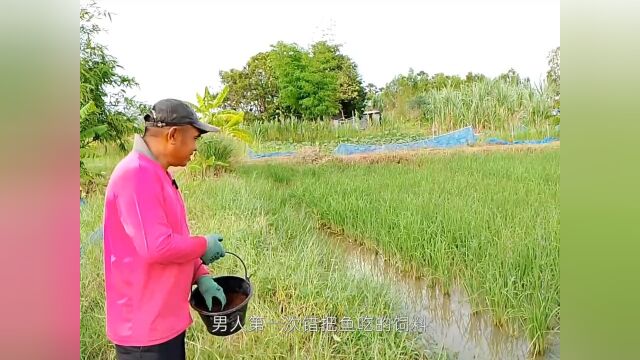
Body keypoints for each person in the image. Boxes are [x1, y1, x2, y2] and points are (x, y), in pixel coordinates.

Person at [102, 98, 227, 360]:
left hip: (164, 320)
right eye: (194, 138)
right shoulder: (135, 174)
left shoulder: (157, 174)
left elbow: (175, 238)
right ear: (173, 135)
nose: (195, 147)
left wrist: (200, 273)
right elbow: (156, 247)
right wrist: (204, 245)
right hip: (144, 332)